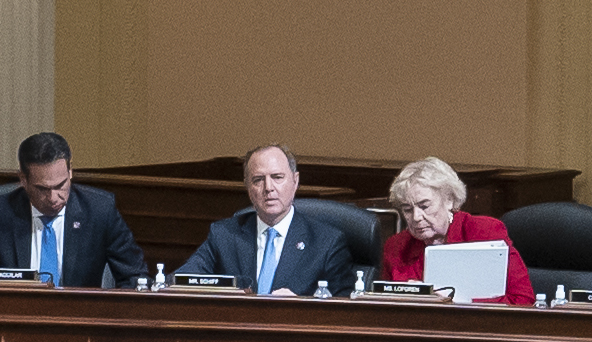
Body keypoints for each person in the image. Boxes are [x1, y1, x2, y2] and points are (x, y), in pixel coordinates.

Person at [176, 144, 351, 295]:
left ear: (295, 181)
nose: (268, 188)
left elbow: (345, 308)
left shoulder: (326, 242)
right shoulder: (224, 235)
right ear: (248, 188)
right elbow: (179, 281)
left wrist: (301, 306)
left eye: (277, 177)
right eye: (258, 180)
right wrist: (223, 293)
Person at [377, 156, 534, 304]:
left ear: (449, 200)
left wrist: (458, 301)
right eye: (407, 209)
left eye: (424, 206)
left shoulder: (486, 232)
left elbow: (523, 300)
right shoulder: (397, 246)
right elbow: (383, 307)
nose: (416, 217)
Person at [2, 132, 146, 288]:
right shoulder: (3, 212)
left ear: (70, 172)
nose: (53, 197)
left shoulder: (99, 210)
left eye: (60, 186)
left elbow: (134, 277)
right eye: (42, 189)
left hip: (81, 311)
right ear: (23, 179)